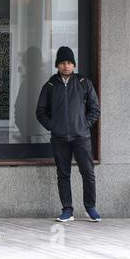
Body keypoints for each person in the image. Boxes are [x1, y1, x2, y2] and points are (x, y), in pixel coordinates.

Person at [36, 46, 101, 222]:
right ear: (58, 65)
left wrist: (84, 125)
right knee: (63, 174)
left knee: (87, 172)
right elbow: (40, 111)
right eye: (63, 63)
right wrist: (54, 127)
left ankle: (90, 208)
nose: (66, 66)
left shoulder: (83, 83)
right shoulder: (50, 85)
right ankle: (67, 210)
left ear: (74, 65)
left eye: (70, 62)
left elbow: (95, 109)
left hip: (81, 137)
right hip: (59, 138)